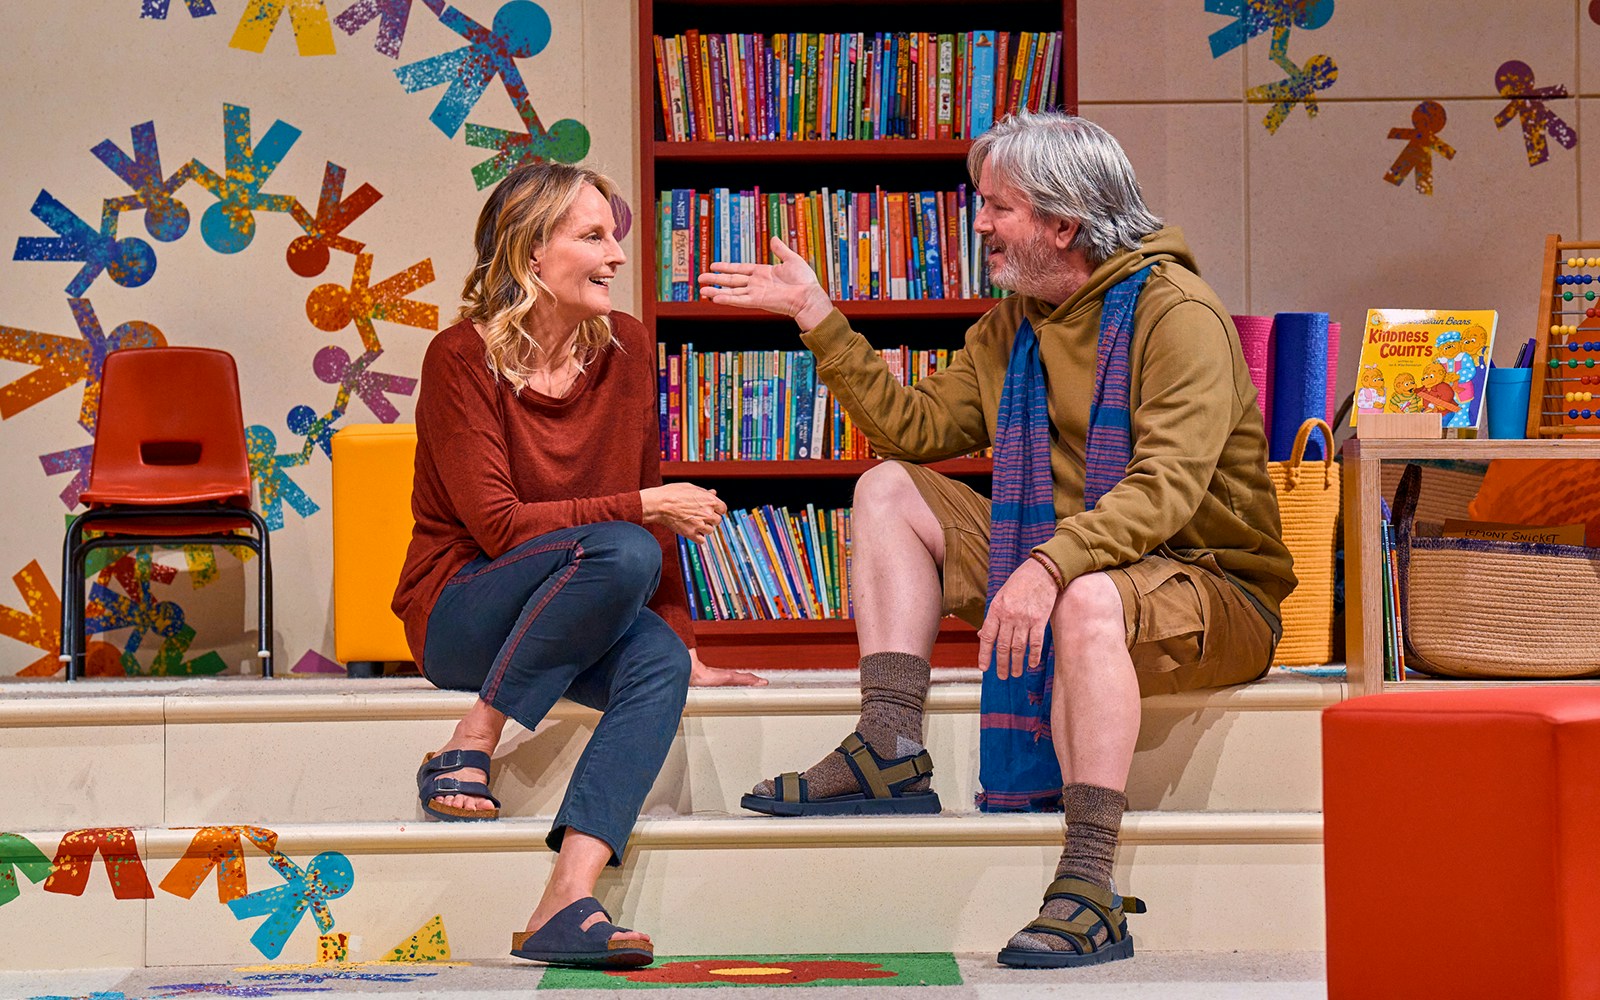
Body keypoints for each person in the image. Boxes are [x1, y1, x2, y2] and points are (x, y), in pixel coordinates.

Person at [698, 112, 1295, 969]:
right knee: (888, 488)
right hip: (1078, 558)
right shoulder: (1015, 323)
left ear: (1063, 223)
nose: (978, 224)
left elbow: (1166, 487)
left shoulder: (1177, 313)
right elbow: (915, 427)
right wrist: (816, 315)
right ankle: (892, 747)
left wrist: (1050, 567)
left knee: (1087, 596)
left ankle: (1089, 886)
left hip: (1209, 583)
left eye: (997, 207)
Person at [392, 161, 761, 969]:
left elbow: (638, 506)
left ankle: (568, 897)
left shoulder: (625, 345)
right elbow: (497, 527)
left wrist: (682, 637)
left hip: (582, 596)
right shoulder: (460, 358)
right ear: (531, 256)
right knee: (625, 539)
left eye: (614, 236)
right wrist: (646, 507)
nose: (617, 256)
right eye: (594, 237)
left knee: (657, 659)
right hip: (463, 614)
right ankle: (473, 737)